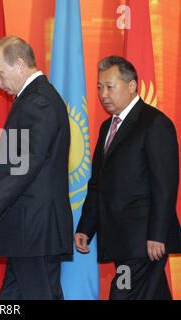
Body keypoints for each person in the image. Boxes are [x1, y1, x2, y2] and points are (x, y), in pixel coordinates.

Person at [0, 36, 73, 300]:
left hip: (34, 229)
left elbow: (26, 161)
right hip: (27, 231)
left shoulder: (38, 101)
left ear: (19, 64)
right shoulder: (33, 98)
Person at [75, 56, 181, 300]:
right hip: (121, 239)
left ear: (132, 86)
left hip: (143, 242)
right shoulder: (107, 127)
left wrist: (157, 235)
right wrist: (85, 227)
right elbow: (98, 183)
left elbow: (165, 187)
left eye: (110, 86)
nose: (103, 94)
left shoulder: (154, 123)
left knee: (122, 294)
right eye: (100, 87)